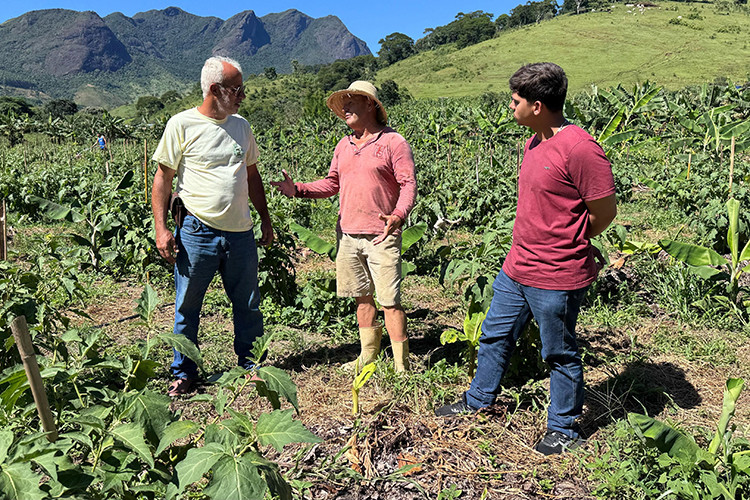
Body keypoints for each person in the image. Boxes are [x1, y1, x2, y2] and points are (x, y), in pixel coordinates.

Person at [434, 63, 617, 456]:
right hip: (517, 267)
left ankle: (563, 429)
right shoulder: (534, 141)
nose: (510, 107)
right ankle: (478, 402)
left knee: (559, 353)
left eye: (515, 101)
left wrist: (573, 240)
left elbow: (604, 212)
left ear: (537, 106)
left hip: (556, 273)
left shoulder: (581, 149)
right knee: (495, 336)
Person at [271, 81, 417, 372]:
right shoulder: (344, 145)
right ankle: (368, 356)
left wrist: (399, 214)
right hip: (348, 234)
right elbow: (332, 183)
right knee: (362, 298)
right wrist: (298, 188)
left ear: (371, 105)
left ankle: (402, 366)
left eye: (353, 101)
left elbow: (408, 183)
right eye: (343, 103)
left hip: (381, 235)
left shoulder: (393, 142)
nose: (345, 108)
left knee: (389, 301)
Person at [151, 56, 274, 397]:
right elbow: (163, 178)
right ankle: (183, 372)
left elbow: (252, 176)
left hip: (240, 233)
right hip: (197, 231)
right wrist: (161, 228)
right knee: (187, 306)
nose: (242, 96)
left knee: (248, 302)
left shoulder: (242, 127)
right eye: (237, 89)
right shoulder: (182, 125)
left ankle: (251, 365)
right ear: (215, 89)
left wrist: (265, 219)